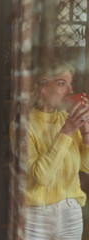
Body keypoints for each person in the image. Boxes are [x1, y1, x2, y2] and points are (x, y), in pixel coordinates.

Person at [11, 59, 89, 239]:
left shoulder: (67, 119)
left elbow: (87, 167)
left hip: (71, 213)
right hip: (35, 215)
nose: (70, 91)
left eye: (70, 84)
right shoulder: (22, 124)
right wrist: (67, 131)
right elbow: (41, 176)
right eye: (62, 84)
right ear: (43, 87)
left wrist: (86, 129)